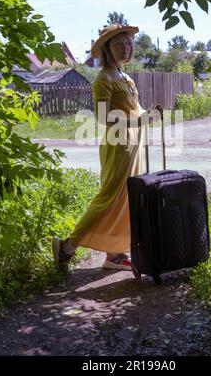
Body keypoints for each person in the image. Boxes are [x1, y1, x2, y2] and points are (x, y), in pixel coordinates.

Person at [52, 24, 163, 272]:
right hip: (117, 145)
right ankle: (67, 247)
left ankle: (114, 255)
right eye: (118, 45)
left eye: (128, 44)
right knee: (110, 197)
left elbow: (135, 110)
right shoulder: (103, 79)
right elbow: (103, 117)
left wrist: (151, 114)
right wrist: (138, 120)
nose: (125, 49)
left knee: (128, 197)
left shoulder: (126, 77)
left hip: (133, 142)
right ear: (106, 49)